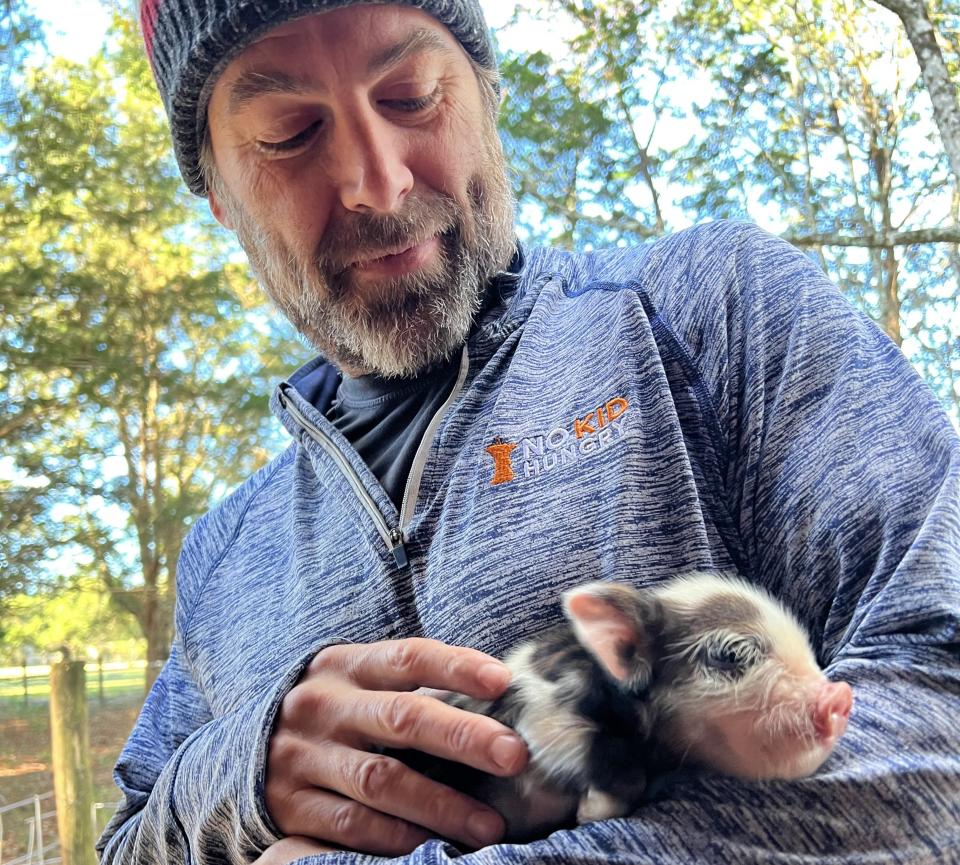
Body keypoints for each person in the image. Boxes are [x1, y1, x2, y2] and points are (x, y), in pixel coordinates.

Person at [98, 0, 960, 863]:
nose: (378, 177)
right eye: (289, 133)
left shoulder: (714, 312)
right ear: (216, 193)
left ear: (486, 93)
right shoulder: (223, 556)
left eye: (413, 94)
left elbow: (940, 710)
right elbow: (131, 841)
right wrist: (243, 772)